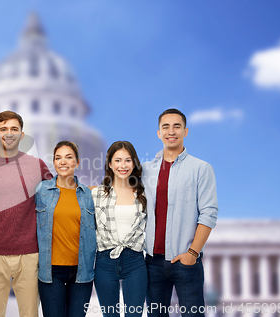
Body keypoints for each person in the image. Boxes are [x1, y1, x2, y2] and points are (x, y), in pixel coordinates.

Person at [0, 110, 52, 317]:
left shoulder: (37, 165)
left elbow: (56, 196)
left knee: (29, 314)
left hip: (28, 253)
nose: (8, 133)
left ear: (22, 134)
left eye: (14, 129)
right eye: (3, 129)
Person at [142, 108, 218, 317]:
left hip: (186, 261)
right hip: (152, 262)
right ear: (159, 133)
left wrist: (192, 253)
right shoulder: (146, 170)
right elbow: (119, 188)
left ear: (185, 131)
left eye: (177, 126)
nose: (171, 131)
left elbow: (209, 213)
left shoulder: (201, 168)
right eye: (165, 127)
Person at [35, 141, 96, 317]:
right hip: (50, 271)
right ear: (53, 163)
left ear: (77, 162)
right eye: (58, 158)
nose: (63, 162)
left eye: (69, 157)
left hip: (81, 271)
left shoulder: (88, 194)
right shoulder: (41, 191)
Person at [92, 141, 147, 317]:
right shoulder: (96, 194)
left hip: (135, 261)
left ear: (134, 163)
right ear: (109, 163)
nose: (122, 166)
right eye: (117, 160)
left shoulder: (144, 194)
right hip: (104, 261)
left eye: (128, 160)